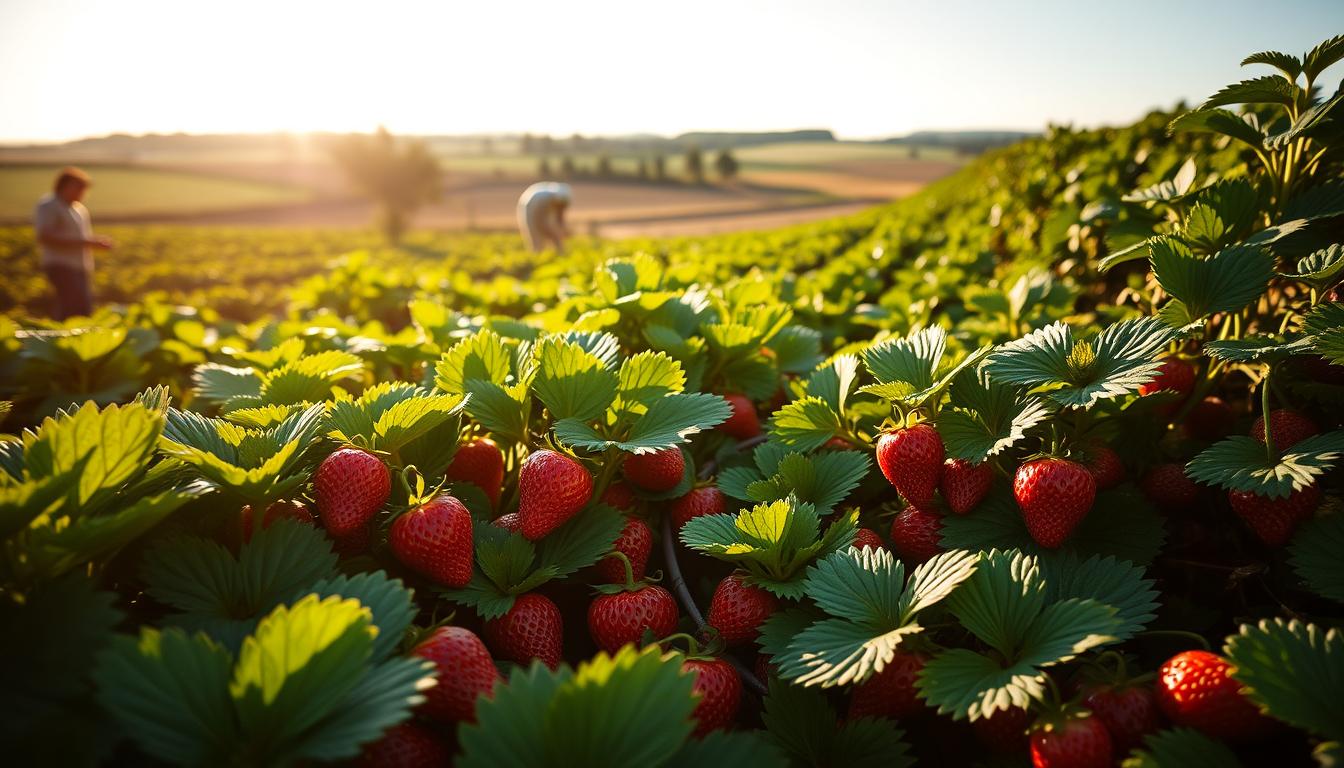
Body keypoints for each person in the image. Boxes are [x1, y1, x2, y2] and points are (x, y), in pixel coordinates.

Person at [34, 166, 113, 319]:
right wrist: (87, 242)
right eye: (79, 189)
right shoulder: (50, 205)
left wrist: (93, 243)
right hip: (60, 264)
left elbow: (81, 238)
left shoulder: (78, 209)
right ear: (65, 186)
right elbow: (44, 236)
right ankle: (59, 339)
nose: (82, 194)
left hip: (79, 266)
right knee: (71, 306)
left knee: (82, 307)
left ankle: (68, 338)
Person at [517, 181, 571, 253]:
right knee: (536, 239)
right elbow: (540, 222)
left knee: (553, 235)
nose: (560, 207)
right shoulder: (541, 200)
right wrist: (554, 236)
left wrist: (563, 230)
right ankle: (536, 254)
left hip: (541, 210)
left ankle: (558, 253)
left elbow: (560, 217)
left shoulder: (562, 201)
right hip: (529, 206)